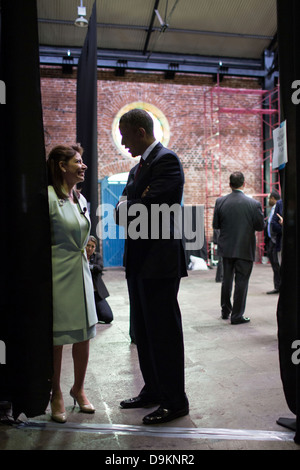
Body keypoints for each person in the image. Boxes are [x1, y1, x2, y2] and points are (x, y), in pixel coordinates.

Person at [115, 108, 189, 425]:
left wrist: (131, 203)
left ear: (141, 133)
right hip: (139, 261)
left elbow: (148, 207)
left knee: (163, 333)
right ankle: (154, 389)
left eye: (125, 135)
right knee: (143, 332)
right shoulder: (138, 169)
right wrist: (131, 202)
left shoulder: (167, 161)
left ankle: (175, 400)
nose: (123, 142)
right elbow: (123, 207)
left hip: (159, 261)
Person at [47, 144, 98, 423]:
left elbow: (83, 231)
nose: (83, 166)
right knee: (57, 339)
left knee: (83, 335)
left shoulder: (81, 199)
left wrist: (90, 242)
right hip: (57, 274)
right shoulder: (48, 198)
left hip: (82, 272)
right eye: (77, 162)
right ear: (61, 166)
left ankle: (78, 388)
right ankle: (55, 392)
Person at [213, 171, 264, 324]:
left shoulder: (220, 202)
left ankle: (225, 311)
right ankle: (236, 316)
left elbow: (216, 225)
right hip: (244, 248)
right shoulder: (253, 204)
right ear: (244, 184)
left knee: (226, 280)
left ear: (230, 184)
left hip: (226, 248)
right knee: (241, 282)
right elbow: (260, 226)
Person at [86, 235, 113, 324]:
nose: (90, 248)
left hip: (96, 293)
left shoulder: (97, 257)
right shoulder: (80, 257)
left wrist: (88, 267)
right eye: (88, 245)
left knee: (108, 317)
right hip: (84, 294)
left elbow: (99, 267)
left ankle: (96, 312)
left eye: (92, 246)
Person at [265, 190, 281, 294]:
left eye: (269, 198)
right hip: (271, 241)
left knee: (277, 264)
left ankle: (279, 287)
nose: (268, 200)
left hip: (275, 241)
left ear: (273, 198)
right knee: (274, 265)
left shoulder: (278, 208)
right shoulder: (272, 209)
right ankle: (277, 286)